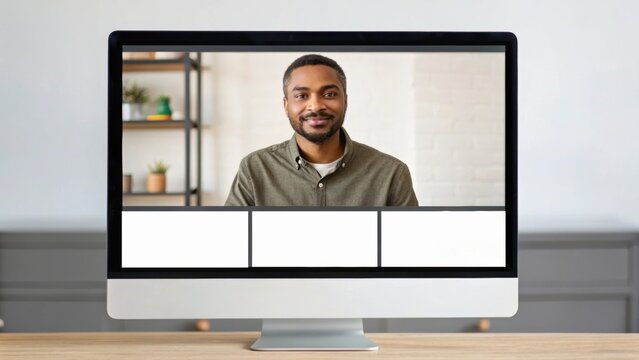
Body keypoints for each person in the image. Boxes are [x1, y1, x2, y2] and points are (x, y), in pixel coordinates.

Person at [225, 54, 418, 206]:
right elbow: (232, 243)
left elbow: (409, 249)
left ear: (346, 100)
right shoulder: (255, 168)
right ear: (286, 105)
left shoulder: (391, 173)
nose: (315, 106)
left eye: (329, 94)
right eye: (301, 95)